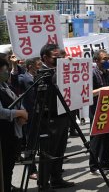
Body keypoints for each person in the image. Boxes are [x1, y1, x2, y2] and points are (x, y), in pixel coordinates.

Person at [37, 44, 75, 188]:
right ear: (45, 58)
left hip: (63, 115)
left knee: (60, 149)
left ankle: (56, 178)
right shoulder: (42, 73)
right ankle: (43, 183)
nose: (59, 59)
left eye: (60, 56)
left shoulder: (60, 70)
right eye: (56, 57)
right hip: (50, 118)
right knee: (48, 152)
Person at [89, 50, 109, 173]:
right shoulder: (92, 74)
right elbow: (88, 93)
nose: (107, 61)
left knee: (108, 137)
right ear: (96, 60)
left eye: (108, 58)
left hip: (108, 109)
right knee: (96, 139)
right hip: (96, 110)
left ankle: (105, 162)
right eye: (104, 59)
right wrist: (103, 89)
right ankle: (94, 166)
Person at [0, 57, 28, 192]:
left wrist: (22, 112)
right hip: (3, 134)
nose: (6, 73)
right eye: (4, 70)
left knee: (9, 164)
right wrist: (19, 113)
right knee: (4, 165)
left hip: (12, 131)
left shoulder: (5, 85)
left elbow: (17, 100)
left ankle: (8, 185)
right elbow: (1, 112)